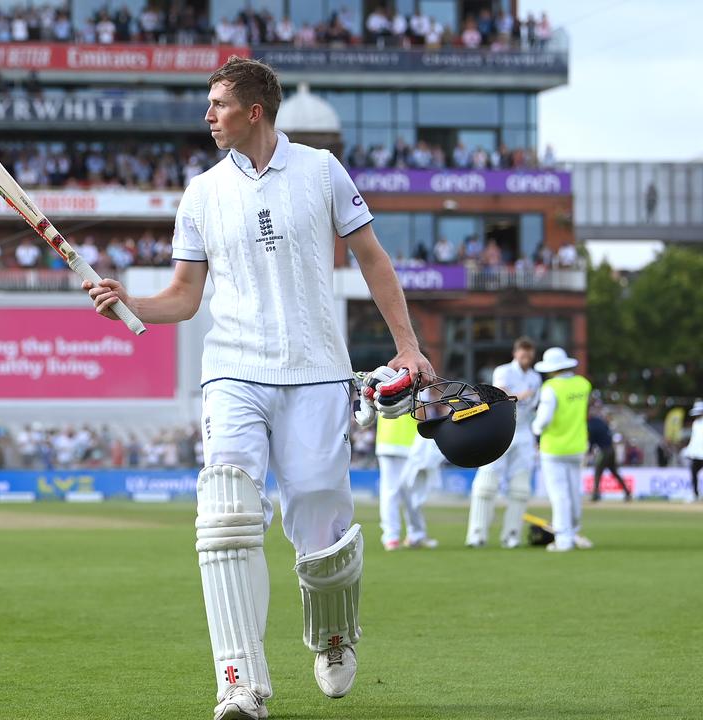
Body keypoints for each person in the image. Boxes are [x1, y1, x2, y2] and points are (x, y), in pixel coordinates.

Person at [84, 56, 433, 719]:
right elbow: (185, 298)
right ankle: (239, 684)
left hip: (317, 369)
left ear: (254, 111)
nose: (207, 115)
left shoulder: (322, 172)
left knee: (322, 521)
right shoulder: (201, 192)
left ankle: (333, 636)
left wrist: (408, 345)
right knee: (225, 514)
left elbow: (372, 258)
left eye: (217, 104)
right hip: (233, 370)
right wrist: (129, 302)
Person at [466, 338, 541, 548]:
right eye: (522, 354)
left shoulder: (535, 377)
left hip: (524, 431)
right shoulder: (504, 371)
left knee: (521, 488)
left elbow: (534, 404)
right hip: (500, 429)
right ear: (515, 353)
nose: (526, 358)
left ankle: (512, 535)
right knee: (486, 485)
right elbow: (500, 396)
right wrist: (521, 395)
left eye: (529, 355)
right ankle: (476, 535)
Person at [531, 347, 592, 552]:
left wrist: (535, 428)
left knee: (559, 495)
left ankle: (563, 539)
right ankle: (573, 532)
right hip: (577, 445)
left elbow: (543, 419)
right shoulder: (583, 384)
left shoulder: (551, 387)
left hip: (554, 447)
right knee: (574, 493)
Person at [375, 413, 421, 550]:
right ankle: (415, 535)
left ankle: (391, 538)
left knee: (389, 493)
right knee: (412, 492)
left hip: (386, 441)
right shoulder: (417, 390)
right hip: (409, 443)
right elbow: (421, 415)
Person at [588, 406, 631, 501]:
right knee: (614, 472)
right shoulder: (599, 421)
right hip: (611, 449)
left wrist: (589, 451)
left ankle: (596, 493)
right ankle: (627, 491)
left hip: (604, 451)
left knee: (598, 470)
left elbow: (592, 440)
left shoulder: (591, 425)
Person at [685, 401, 703, 503]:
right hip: (697, 454)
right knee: (693, 472)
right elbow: (695, 440)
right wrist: (689, 451)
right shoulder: (695, 424)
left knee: (694, 471)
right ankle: (695, 494)